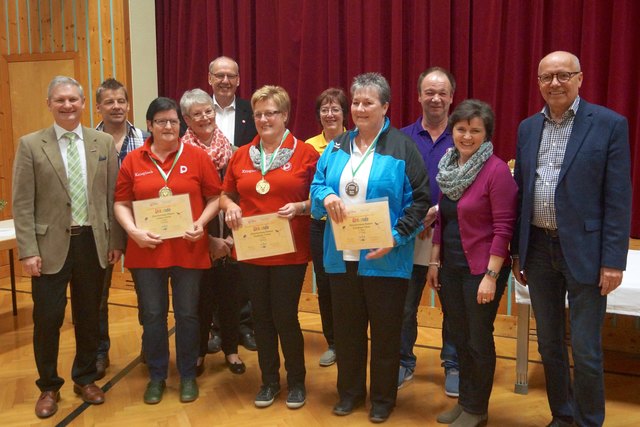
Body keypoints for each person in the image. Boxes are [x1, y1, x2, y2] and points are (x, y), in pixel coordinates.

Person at [511, 51, 631, 427]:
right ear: (539, 83)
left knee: (586, 350)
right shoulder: (527, 128)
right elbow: (520, 191)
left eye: (564, 75)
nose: (555, 83)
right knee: (548, 346)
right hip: (539, 251)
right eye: (547, 77)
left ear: (580, 78)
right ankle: (562, 417)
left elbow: (617, 196)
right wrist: (518, 251)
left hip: (587, 254)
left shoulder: (609, 124)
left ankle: (589, 421)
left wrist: (614, 260)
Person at [311, 72, 430, 423]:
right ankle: (348, 394)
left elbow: (420, 201)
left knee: (385, 333)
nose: (361, 108)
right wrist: (328, 195)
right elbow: (317, 186)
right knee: (347, 333)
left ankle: (382, 399)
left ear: (385, 106)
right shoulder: (336, 146)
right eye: (357, 102)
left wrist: (396, 236)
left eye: (369, 102)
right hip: (342, 258)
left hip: (385, 259)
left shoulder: (402, 148)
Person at [12, 76, 124, 418]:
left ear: (83, 103)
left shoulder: (102, 142)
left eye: (73, 99)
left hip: (93, 242)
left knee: (90, 316)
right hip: (48, 247)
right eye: (60, 100)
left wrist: (115, 241)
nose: (67, 105)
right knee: (48, 318)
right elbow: (22, 203)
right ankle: (48, 386)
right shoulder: (31, 145)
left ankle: (85, 377)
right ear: (49, 104)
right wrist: (29, 250)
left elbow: (112, 197)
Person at [114, 97, 222, 404]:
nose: (168, 126)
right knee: (152, 316)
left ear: (180, 124)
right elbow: (120, 203)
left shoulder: (197, 157)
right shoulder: (133, 160)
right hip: (146, 252)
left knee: (188, 315)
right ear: (149, 125)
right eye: (161, 121)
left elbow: (215, 197)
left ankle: (188, 375)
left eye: (173, 121)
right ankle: (157, 376)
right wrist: (133, 231)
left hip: (188, 249)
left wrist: (201, 222)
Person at [220, 85, 319, 409]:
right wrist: (229, 207)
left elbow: (320, 196)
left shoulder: (305, 153)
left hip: (289, 251)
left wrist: (301, 207)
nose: (264, 119)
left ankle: (297, 382)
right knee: (261, 318)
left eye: (271, 112)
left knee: (285, 316)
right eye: (259, 113)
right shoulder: (241, 154)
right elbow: (226, 194)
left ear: (285, 115)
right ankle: (268, 381)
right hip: (251, 251)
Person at [427, 99, 517, 427]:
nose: (467, 136)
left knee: (478, 339)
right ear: (452, 131)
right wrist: (434, 263)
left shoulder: (495, 171)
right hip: (450, 268)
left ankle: (478, 409)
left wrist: (492, 275)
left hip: (482, 270)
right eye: (461, 129)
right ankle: (465, 402)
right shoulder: (449, 168)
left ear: (486, 134)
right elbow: (443, 220)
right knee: (459, 337)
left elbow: (504, 227)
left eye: (475, 130)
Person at [398, 67, 460, 395]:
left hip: (451, 238)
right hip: (411, 236)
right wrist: (414, 218)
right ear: (419, 95)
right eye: (429, 92)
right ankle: (403, 360)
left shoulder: (465, 136)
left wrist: (438, 214)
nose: (435, 98)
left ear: (452, 97)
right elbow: (391, 187)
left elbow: (478, 187)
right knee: (405, 306)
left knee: (453, 307)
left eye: (442, 93)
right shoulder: (401, 138)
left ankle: (453, 363)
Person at [179, 88, 246, 376]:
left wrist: (231, 238)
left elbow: (241, 192)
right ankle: (198, 354)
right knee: (199, 301)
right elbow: (180, 204)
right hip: (196, 240)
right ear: (186, 119)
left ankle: (231, 351)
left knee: (231, 297)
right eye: (197, 113)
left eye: (209, 111)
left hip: (232, 236)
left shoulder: (232, 151)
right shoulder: (181, 154)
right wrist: (208, 240)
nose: (205, 117)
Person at [94, 77, 147, 379]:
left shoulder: (144, 138)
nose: (116, 107)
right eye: (109, 102)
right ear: (99, 106)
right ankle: (100, 351)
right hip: (100, 228)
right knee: (97, 295)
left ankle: (149, 343)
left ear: (128, 104)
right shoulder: (87, 140)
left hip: (139, 225)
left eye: (121, 101)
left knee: (146, 290)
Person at [209, 55, 258, 351]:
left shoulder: (251, 112)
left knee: (244, 264)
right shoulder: (199, 110)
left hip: (244, 198)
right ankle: (217, 327)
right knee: (214, 263)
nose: (225, 81)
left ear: (239, 80)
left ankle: (245, 325)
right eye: (219, 75)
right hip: (207, 198)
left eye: (231, 76)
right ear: (210, 79)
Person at [305, 87, 348, 367]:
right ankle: (333, 342)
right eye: (325, 109)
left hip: (350, 226)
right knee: (327, 286)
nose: (330, 114)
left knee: (350, 285)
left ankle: (352, 338)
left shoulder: (356, 142)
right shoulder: (309, 146)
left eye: (335, 109)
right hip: (320, 227)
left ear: (345, 113)